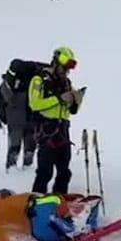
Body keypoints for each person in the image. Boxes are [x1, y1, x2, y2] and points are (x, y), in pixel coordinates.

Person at [28, 46, 85, 194]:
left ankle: (60, 200)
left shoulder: (67, 82)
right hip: (46, 129)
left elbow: (72, 111)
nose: (66, 71)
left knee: (64, 172)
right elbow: (35, 104)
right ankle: (37, 202)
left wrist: (76, 100)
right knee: (45, 171)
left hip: (63, 129)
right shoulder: (39, 80)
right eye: (64, 67)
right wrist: (58, 99)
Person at [0, 60, 40, 172]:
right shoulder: (35, 83)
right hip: (31, 118)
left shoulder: (7, 85)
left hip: (15, 119)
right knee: (30, 147)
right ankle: (27, 168)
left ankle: (11, 169)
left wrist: (4, 119)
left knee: (14, 146)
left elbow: (1, 102)